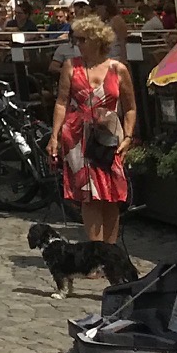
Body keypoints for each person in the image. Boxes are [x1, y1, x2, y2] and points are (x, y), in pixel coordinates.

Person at [48, 14, 136, 245]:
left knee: (112, 194)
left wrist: (128, 137)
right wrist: (54, 136)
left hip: (108, 136)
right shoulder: (71, 66)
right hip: (78, 136)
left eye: (81, 39)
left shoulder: (118, 69)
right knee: (89, 196)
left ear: (97, 40)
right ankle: (96, 253)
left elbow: (130, 107)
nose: (76, 44)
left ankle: (110, 251)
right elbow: (61, 101)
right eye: (75, 39)